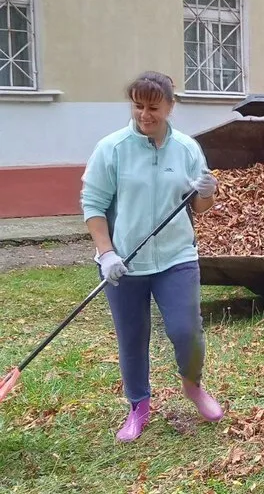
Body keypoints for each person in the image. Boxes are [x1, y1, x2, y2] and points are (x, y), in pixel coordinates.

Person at [80, 71, 224, 442]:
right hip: (124, 263)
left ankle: (193, 386)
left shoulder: (188, 149)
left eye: (154, 107)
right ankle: (138, 407)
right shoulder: (112, 149)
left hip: (177, 256)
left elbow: (201, 207)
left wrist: (207, 191)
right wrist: (106, 253)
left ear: (170, 107)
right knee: (132, 336)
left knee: (186, 331)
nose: (145, 114)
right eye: (138, 106)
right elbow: (93, 206)